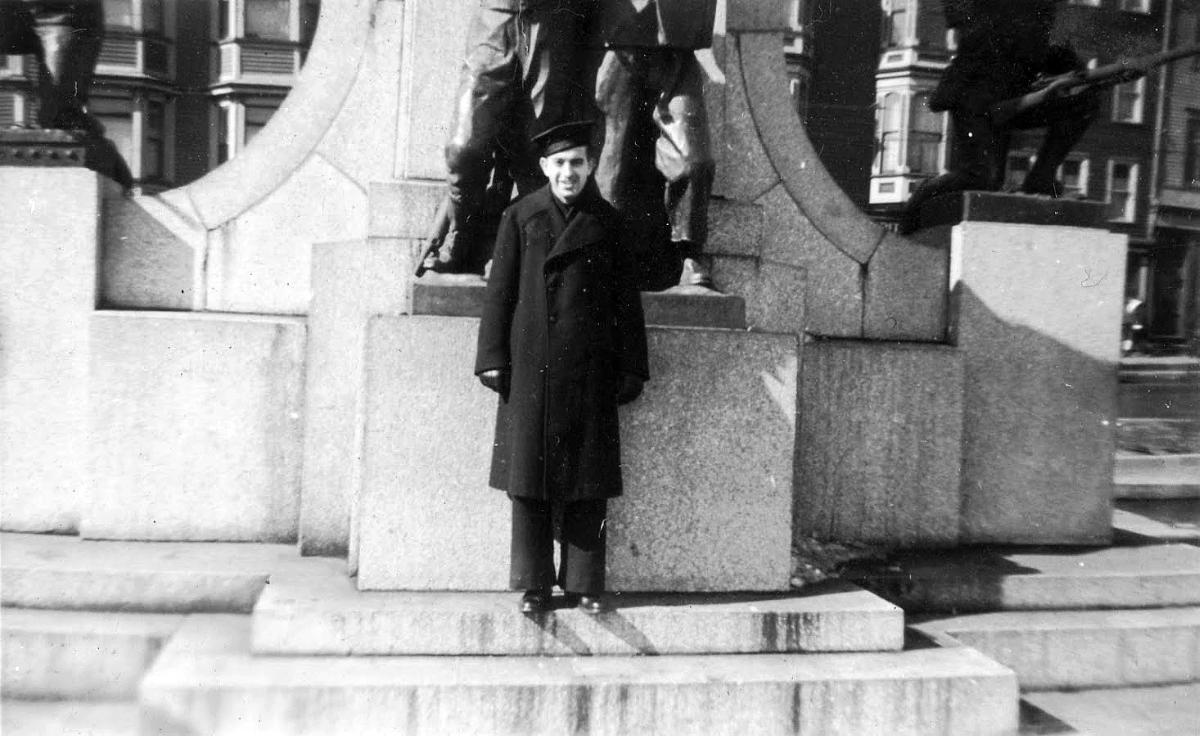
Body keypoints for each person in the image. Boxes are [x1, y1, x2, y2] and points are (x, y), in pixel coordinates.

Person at [475, 120, 649, 614]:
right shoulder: (521, 216)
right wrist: (491, 358)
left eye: (577, 162)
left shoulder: (608, 222)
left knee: (587, 480)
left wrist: (632, 366)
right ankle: (534, 584)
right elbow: (500, 293)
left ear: (590, 165)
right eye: (560, 163)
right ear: (544, 168)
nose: (569, 172)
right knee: (528, 480)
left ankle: (584, 583)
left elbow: (625, 304)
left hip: (590, 371)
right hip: (531, 369)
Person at [423, 0, 592, 275]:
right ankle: (462, 232)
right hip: (495, 19)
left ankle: (519, 247)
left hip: (549, 21)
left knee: (536, 147)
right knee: (462, 148)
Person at [900, 0, 1098, 232]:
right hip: (974, 99)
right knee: (982, 178)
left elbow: (1055, 52)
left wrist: (1082, 72)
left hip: (1017, 97)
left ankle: (1041, 178)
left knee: (1086, 102)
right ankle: (919, 203)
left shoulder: (1043, 13)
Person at [586, 0, 717, 289]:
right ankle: (604, 254)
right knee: (613, 169)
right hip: (617, 46)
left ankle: (688, 254)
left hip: (677, 50)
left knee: (694, 161)